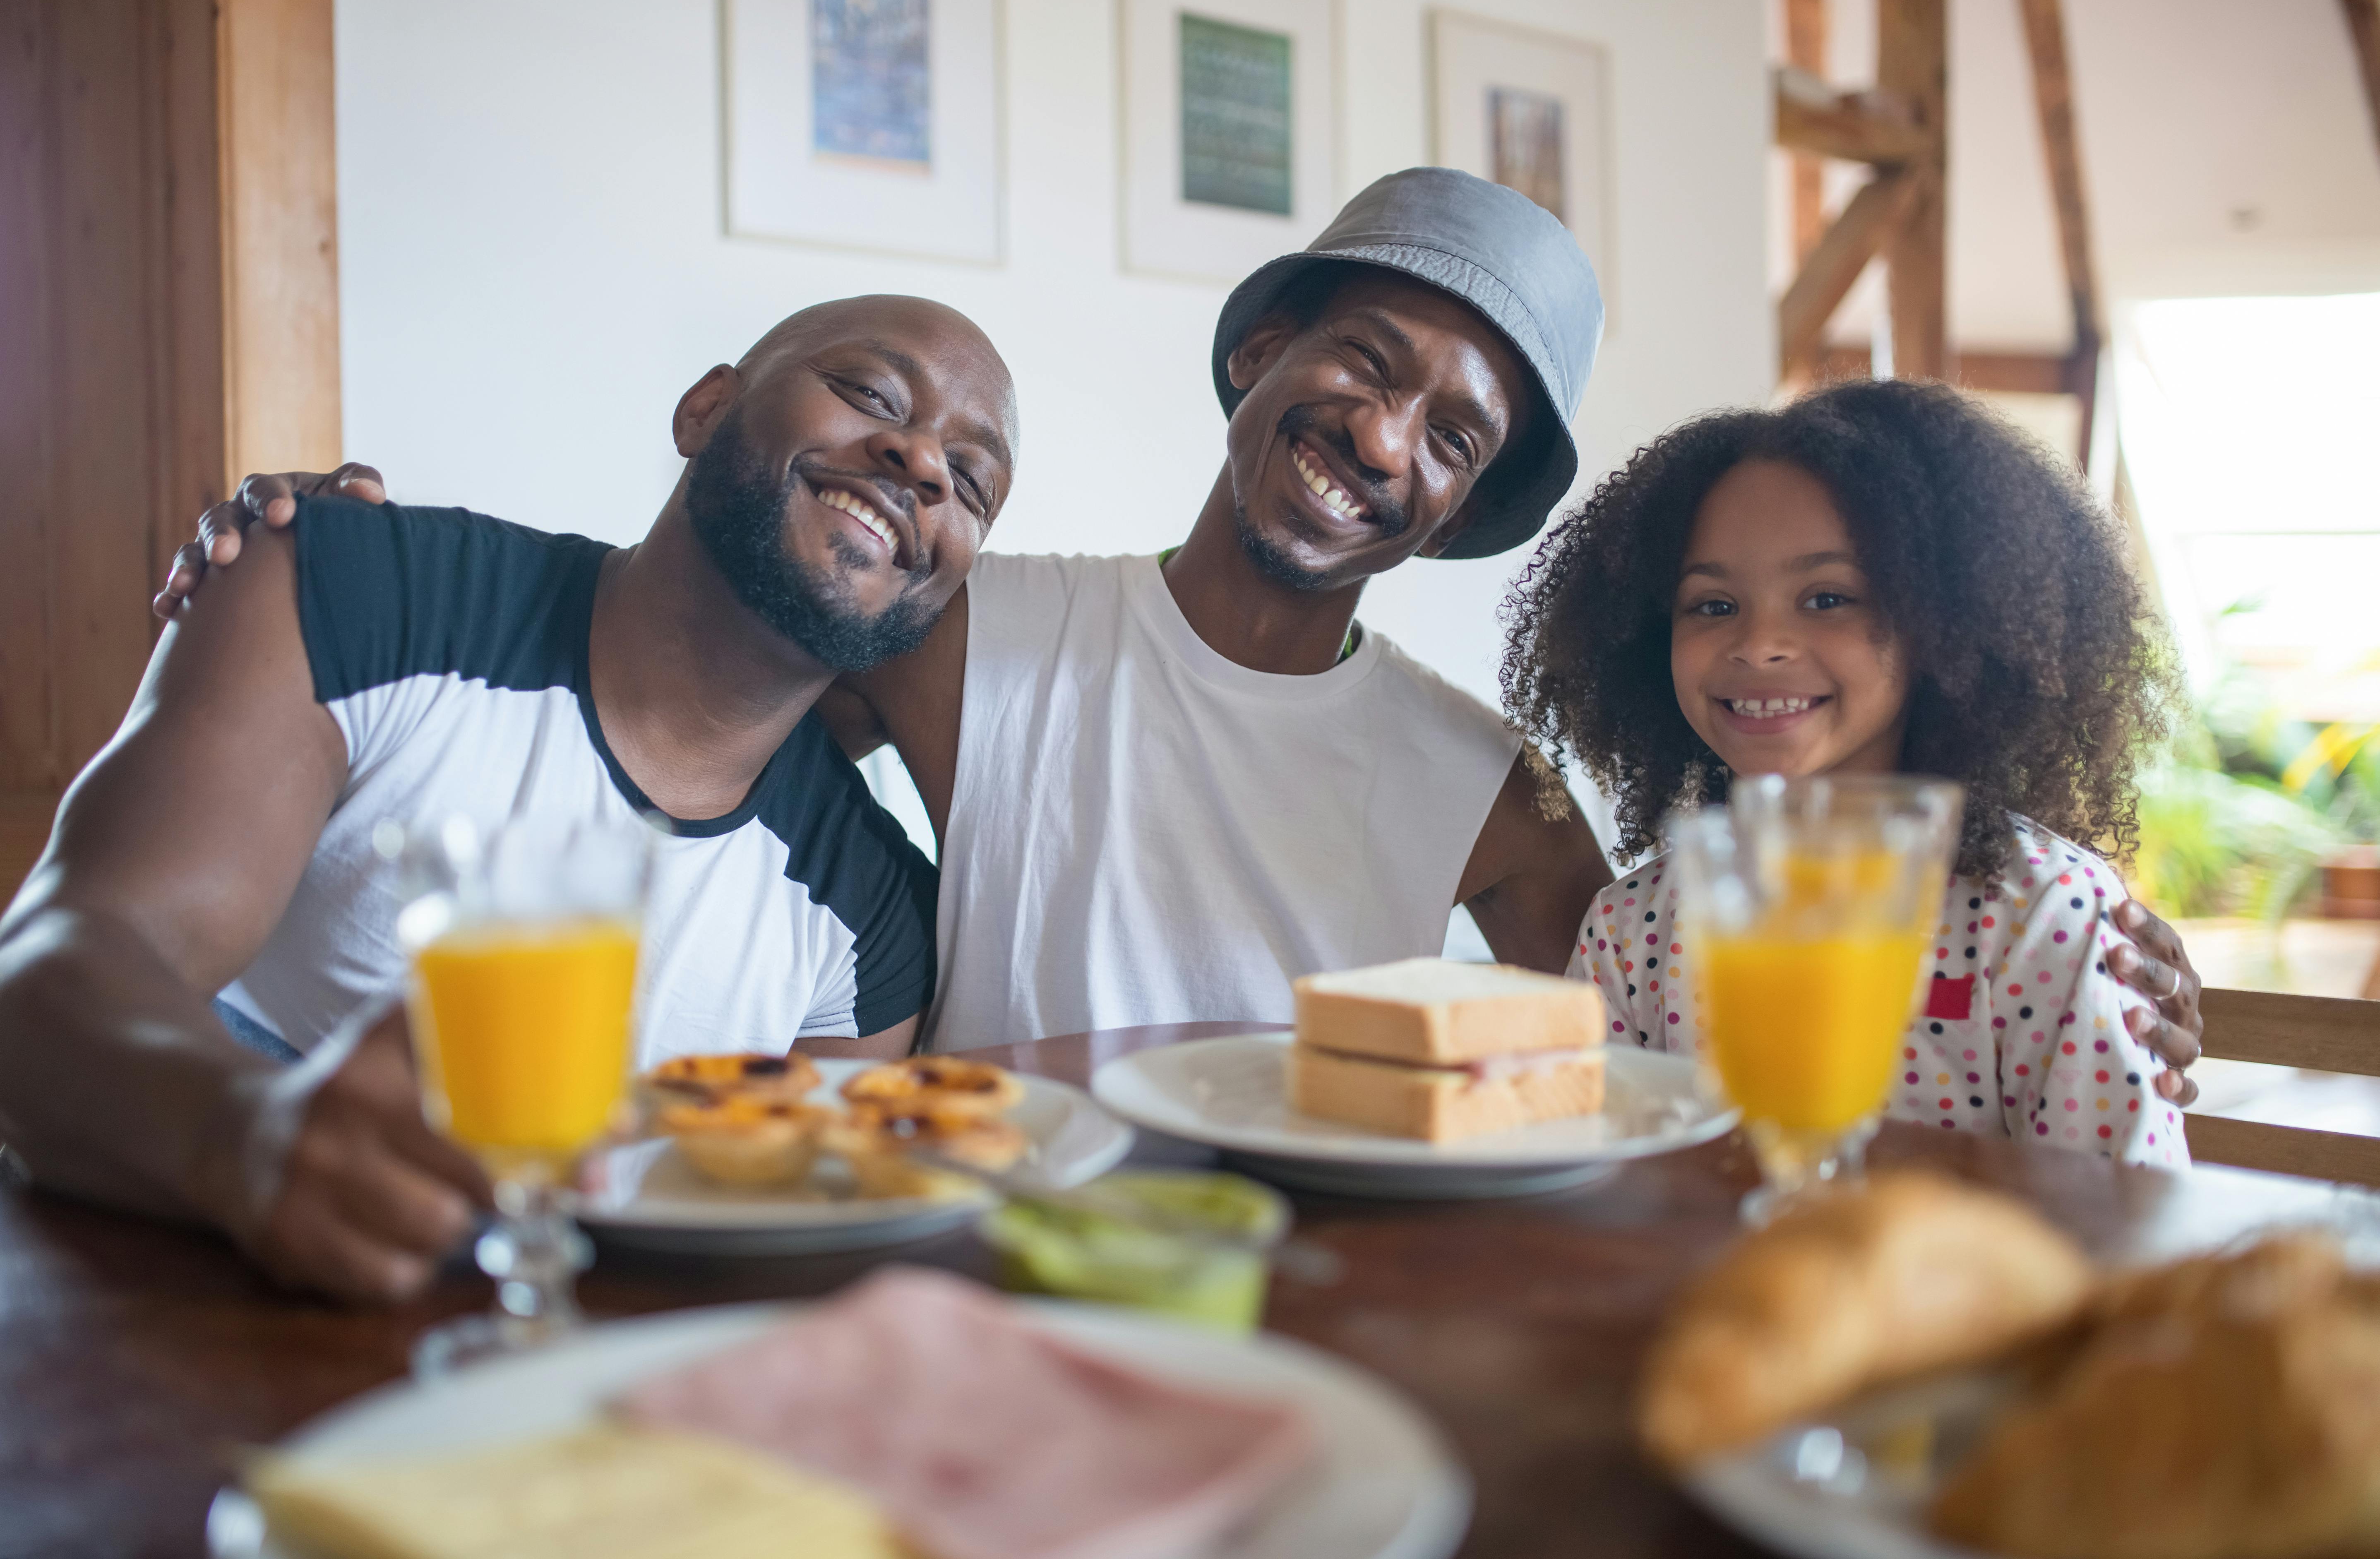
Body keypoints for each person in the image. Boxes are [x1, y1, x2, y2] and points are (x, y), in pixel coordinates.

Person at [156, 169, 2209, 1087]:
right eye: (1361, 358)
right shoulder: (964, 626)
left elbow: (1661, 1021)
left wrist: (2035, 936)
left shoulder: (1486, 795)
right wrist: (332, 534)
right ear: (1258, 358)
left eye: (1452, 434)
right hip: (969, 1243)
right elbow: (698, 627)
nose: (1377, 435)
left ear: (1464, 508)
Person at [0, 295, 1018, 1300]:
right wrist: (247, 1136)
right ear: (704, 409)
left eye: (971, 482)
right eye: (869, 393)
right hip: (166, 1347)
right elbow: (49, 983)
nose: (924, 464)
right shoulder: (353, 588)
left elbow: (787, 1248)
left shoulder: (875, 921)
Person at [1502, 378, 2190, 1163]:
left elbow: (2125, 1223)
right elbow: (1591, 1186)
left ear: (1947, 624)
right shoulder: (1631, 932)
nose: (1760, 644)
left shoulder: (2041, 912)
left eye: (1828, 598)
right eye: (1713, 605)